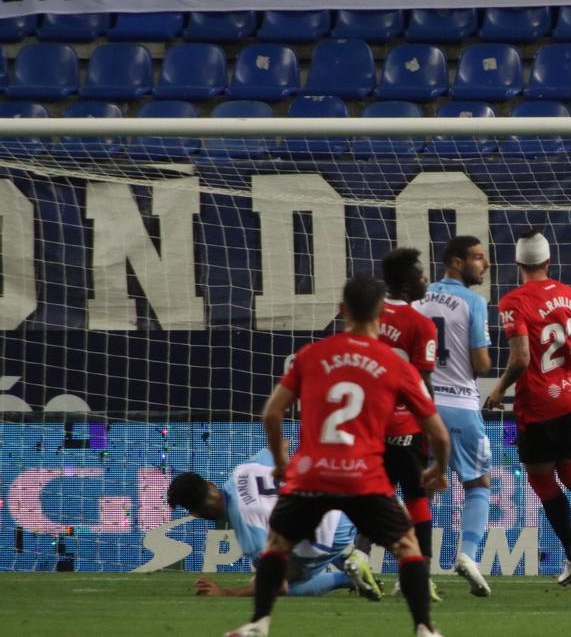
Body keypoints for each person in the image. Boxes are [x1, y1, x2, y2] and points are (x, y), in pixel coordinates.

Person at [224, 276, 450, 637]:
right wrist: (439, 467)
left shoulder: (311, 355)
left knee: (277, 544)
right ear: (380, 314)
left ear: (342, 310)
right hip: (363, 477)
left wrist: (283, 464)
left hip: (311, 474)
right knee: (407, 545)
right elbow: (438, 431)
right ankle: (424, 627)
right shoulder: (395, 365)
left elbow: (271, 413)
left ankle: (258, 624)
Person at [484, 230, 571, 587]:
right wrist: (562, 361)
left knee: (541, 478)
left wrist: (499, 389)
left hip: (539, 403)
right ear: (549, 261)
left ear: (518, 264)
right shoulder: (569, 294)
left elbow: (520, 358)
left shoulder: (513, 302)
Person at [167, 449, 382, 600]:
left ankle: (349, 579)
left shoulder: (249, 532)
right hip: (335, 496)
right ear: (210, 484)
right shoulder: (242, 471)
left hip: (332, 532)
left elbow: (278, 585)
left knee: (269, 583)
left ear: (195, 513)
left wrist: (228, 592)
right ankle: (355, 560)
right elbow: (281, 445)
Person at [379, 247, 467, 599]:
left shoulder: (367, 313)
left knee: (371, 498)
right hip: (406, 423)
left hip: (366, 423)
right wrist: (431, 423)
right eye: (419, 275)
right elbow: (423, 383)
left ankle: (354, 555)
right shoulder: (419, 323)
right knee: (416, 497)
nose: (425, 281)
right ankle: (416, 575)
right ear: (405, 283)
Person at [413, 235, 494, 597]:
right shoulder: (473, 302)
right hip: (461, 405)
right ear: (456, 263)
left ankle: (413, 567)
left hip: (421, 407)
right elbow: (480, 363)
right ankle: (468, 556)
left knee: (421, 489)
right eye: (478, 258)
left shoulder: (417, 300)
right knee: (477, 484)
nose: (485, 264)